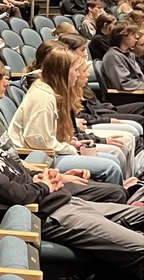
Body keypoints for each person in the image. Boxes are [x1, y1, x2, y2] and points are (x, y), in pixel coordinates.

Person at [0, 92, 143, 280]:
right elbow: (13, 195)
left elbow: (16, 174)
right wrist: (44, 186)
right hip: (52, 215)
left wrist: (43, 177)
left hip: (63, 202)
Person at [9, 48, 125, 184]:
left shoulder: (51, 90)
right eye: (76, 70)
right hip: (40, 158)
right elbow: (36, 140)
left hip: (49, 152)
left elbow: (47, 135)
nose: (78, 75)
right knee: (110, 167)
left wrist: (69, 143)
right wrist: (69, 148)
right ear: (63, 73)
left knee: (113, 159)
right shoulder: (44, 97)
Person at [101, 21, 144, 92]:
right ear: (122, 36)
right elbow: (124, 84)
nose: (137, 36)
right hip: (125, 97)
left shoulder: (129, 54)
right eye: (133, 34)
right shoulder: (114, 56)